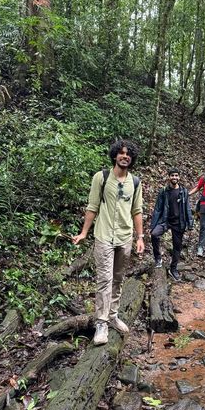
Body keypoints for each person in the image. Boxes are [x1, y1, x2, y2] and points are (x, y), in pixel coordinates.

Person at [72, 139, 144, 345]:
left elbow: (137, 211)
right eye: (121, 153)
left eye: (128, 154)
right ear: (115, 155)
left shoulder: (135, 182)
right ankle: (101, 323)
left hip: (125, 237)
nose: (125, 156)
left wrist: (140, 237)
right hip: (104, 236)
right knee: (104, 280)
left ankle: (113, 315)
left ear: (132, 159)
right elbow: (92, 206)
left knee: (118, 279)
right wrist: (84, 232)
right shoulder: (101, 178)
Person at [150, 167, 194, 281]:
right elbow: (158, 209)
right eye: (172, 175)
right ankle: (158, 258)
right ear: (169, 177)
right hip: (165, 221)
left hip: (179, 222)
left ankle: (173, 269)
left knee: (177, 246)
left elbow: (187, 208)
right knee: (154, 234)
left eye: (176, 175)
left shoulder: (183, 192)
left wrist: (190, 223)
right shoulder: (164, 191)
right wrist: (153, 225)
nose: (174, 177)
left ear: (179, 177)